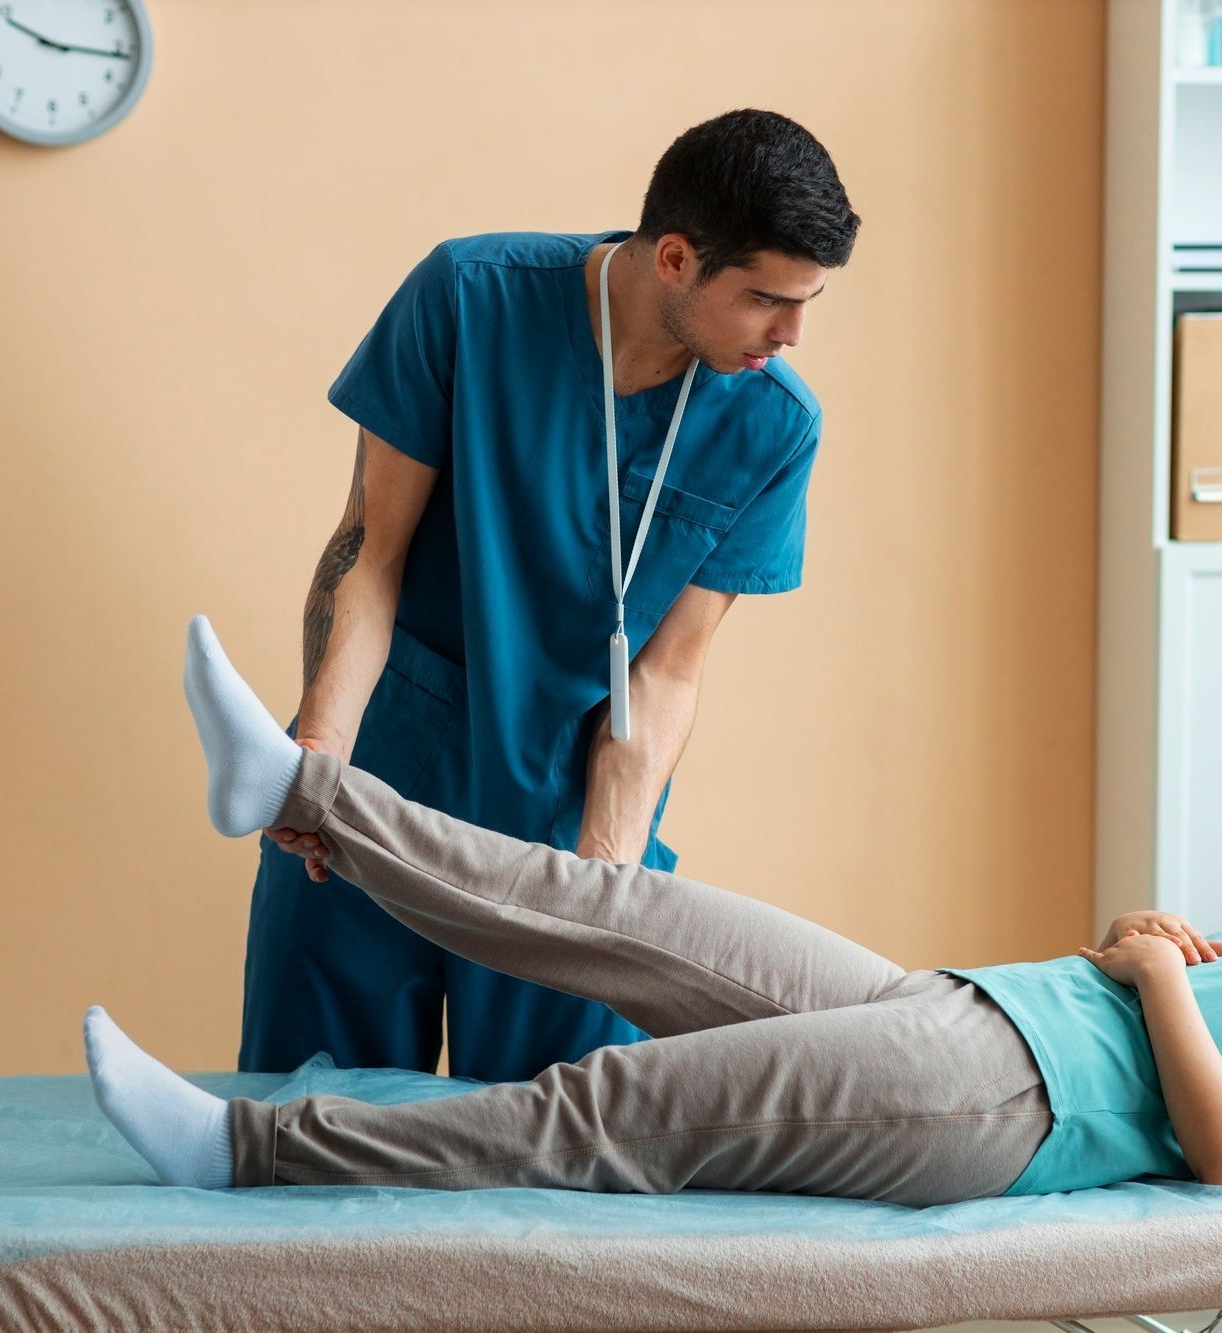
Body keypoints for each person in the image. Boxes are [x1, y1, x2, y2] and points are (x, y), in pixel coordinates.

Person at [88, 618, 1222, 1202]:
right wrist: (1152, 948)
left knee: (597, 1103)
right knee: (609, 907)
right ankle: (299, 793)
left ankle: (245, 1149)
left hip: (999, 1098)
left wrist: (1151, 976)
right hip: (963, 1009)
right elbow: (1187, 1033)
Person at [240, 109, 859, 1084]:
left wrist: (601, 880)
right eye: (763, 299)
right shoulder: (469, 298)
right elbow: (369, 554)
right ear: (672, 259)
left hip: (571, 820)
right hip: (383, 774)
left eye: (807, 302)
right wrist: (319, 761)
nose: (788, 334)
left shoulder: (773, 424)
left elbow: (665, 672)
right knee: (311, 1123)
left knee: (555, 1161)